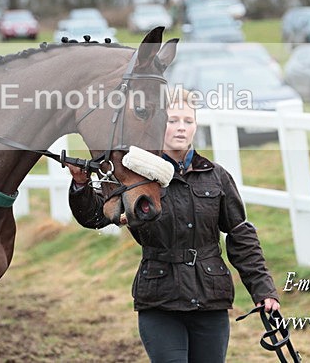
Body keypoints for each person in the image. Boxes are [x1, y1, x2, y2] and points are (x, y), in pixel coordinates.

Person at [68, 88, 280, 363]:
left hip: (210, 300)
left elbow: (241, 236)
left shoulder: (216, 177)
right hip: (159, 301)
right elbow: (94, 217)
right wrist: (81, 185)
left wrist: (264, 291)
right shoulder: (137, 179)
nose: (181, 128)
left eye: (188, 121)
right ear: (157, 125)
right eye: (172, 120)